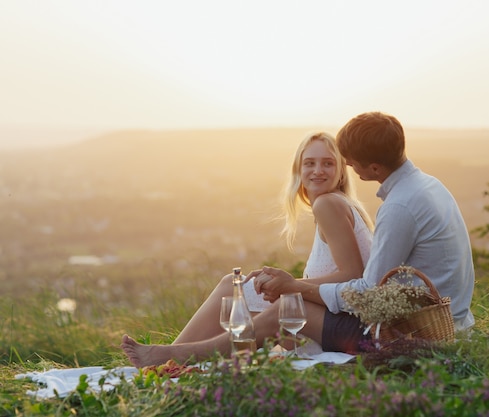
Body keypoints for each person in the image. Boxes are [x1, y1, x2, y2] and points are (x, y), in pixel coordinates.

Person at [121, 132, 373, 367]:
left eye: (328, 163)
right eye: (309, 163)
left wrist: (290, 285)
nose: (317, 171)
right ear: (298, 170)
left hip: (336, 323)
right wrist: (282, 283)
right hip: (329, 317)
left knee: (232, 294)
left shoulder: (328, 204)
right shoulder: (339, 204)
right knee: (233, 286)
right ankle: (171, 361)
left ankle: (170, 360)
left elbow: (352, 274)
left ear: (341, 172)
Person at [251, 111, 475, 352]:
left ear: (375, 168)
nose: (348, 165)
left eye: (351, 161)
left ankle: (207, 358)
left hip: (419, 333)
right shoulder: (430, 185)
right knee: (278, 307)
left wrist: (295, 286)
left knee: (283, 309)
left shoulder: (399, 207)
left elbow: (366, 294)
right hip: (450, 320)